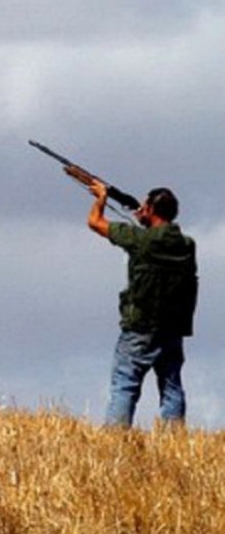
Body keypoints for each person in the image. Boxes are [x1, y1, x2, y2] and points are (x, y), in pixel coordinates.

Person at [85, 179, 198, 428]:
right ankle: (175, 443)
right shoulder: (187, 245)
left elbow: (95, 222)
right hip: (172, 327)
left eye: (145, 206)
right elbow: (157, 239)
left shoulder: (140, 240)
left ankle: (115, 440)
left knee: (125, 382)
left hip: (140, 326)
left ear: (150, 210)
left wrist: (101, 198)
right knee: (171, 385)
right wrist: (143, 219)